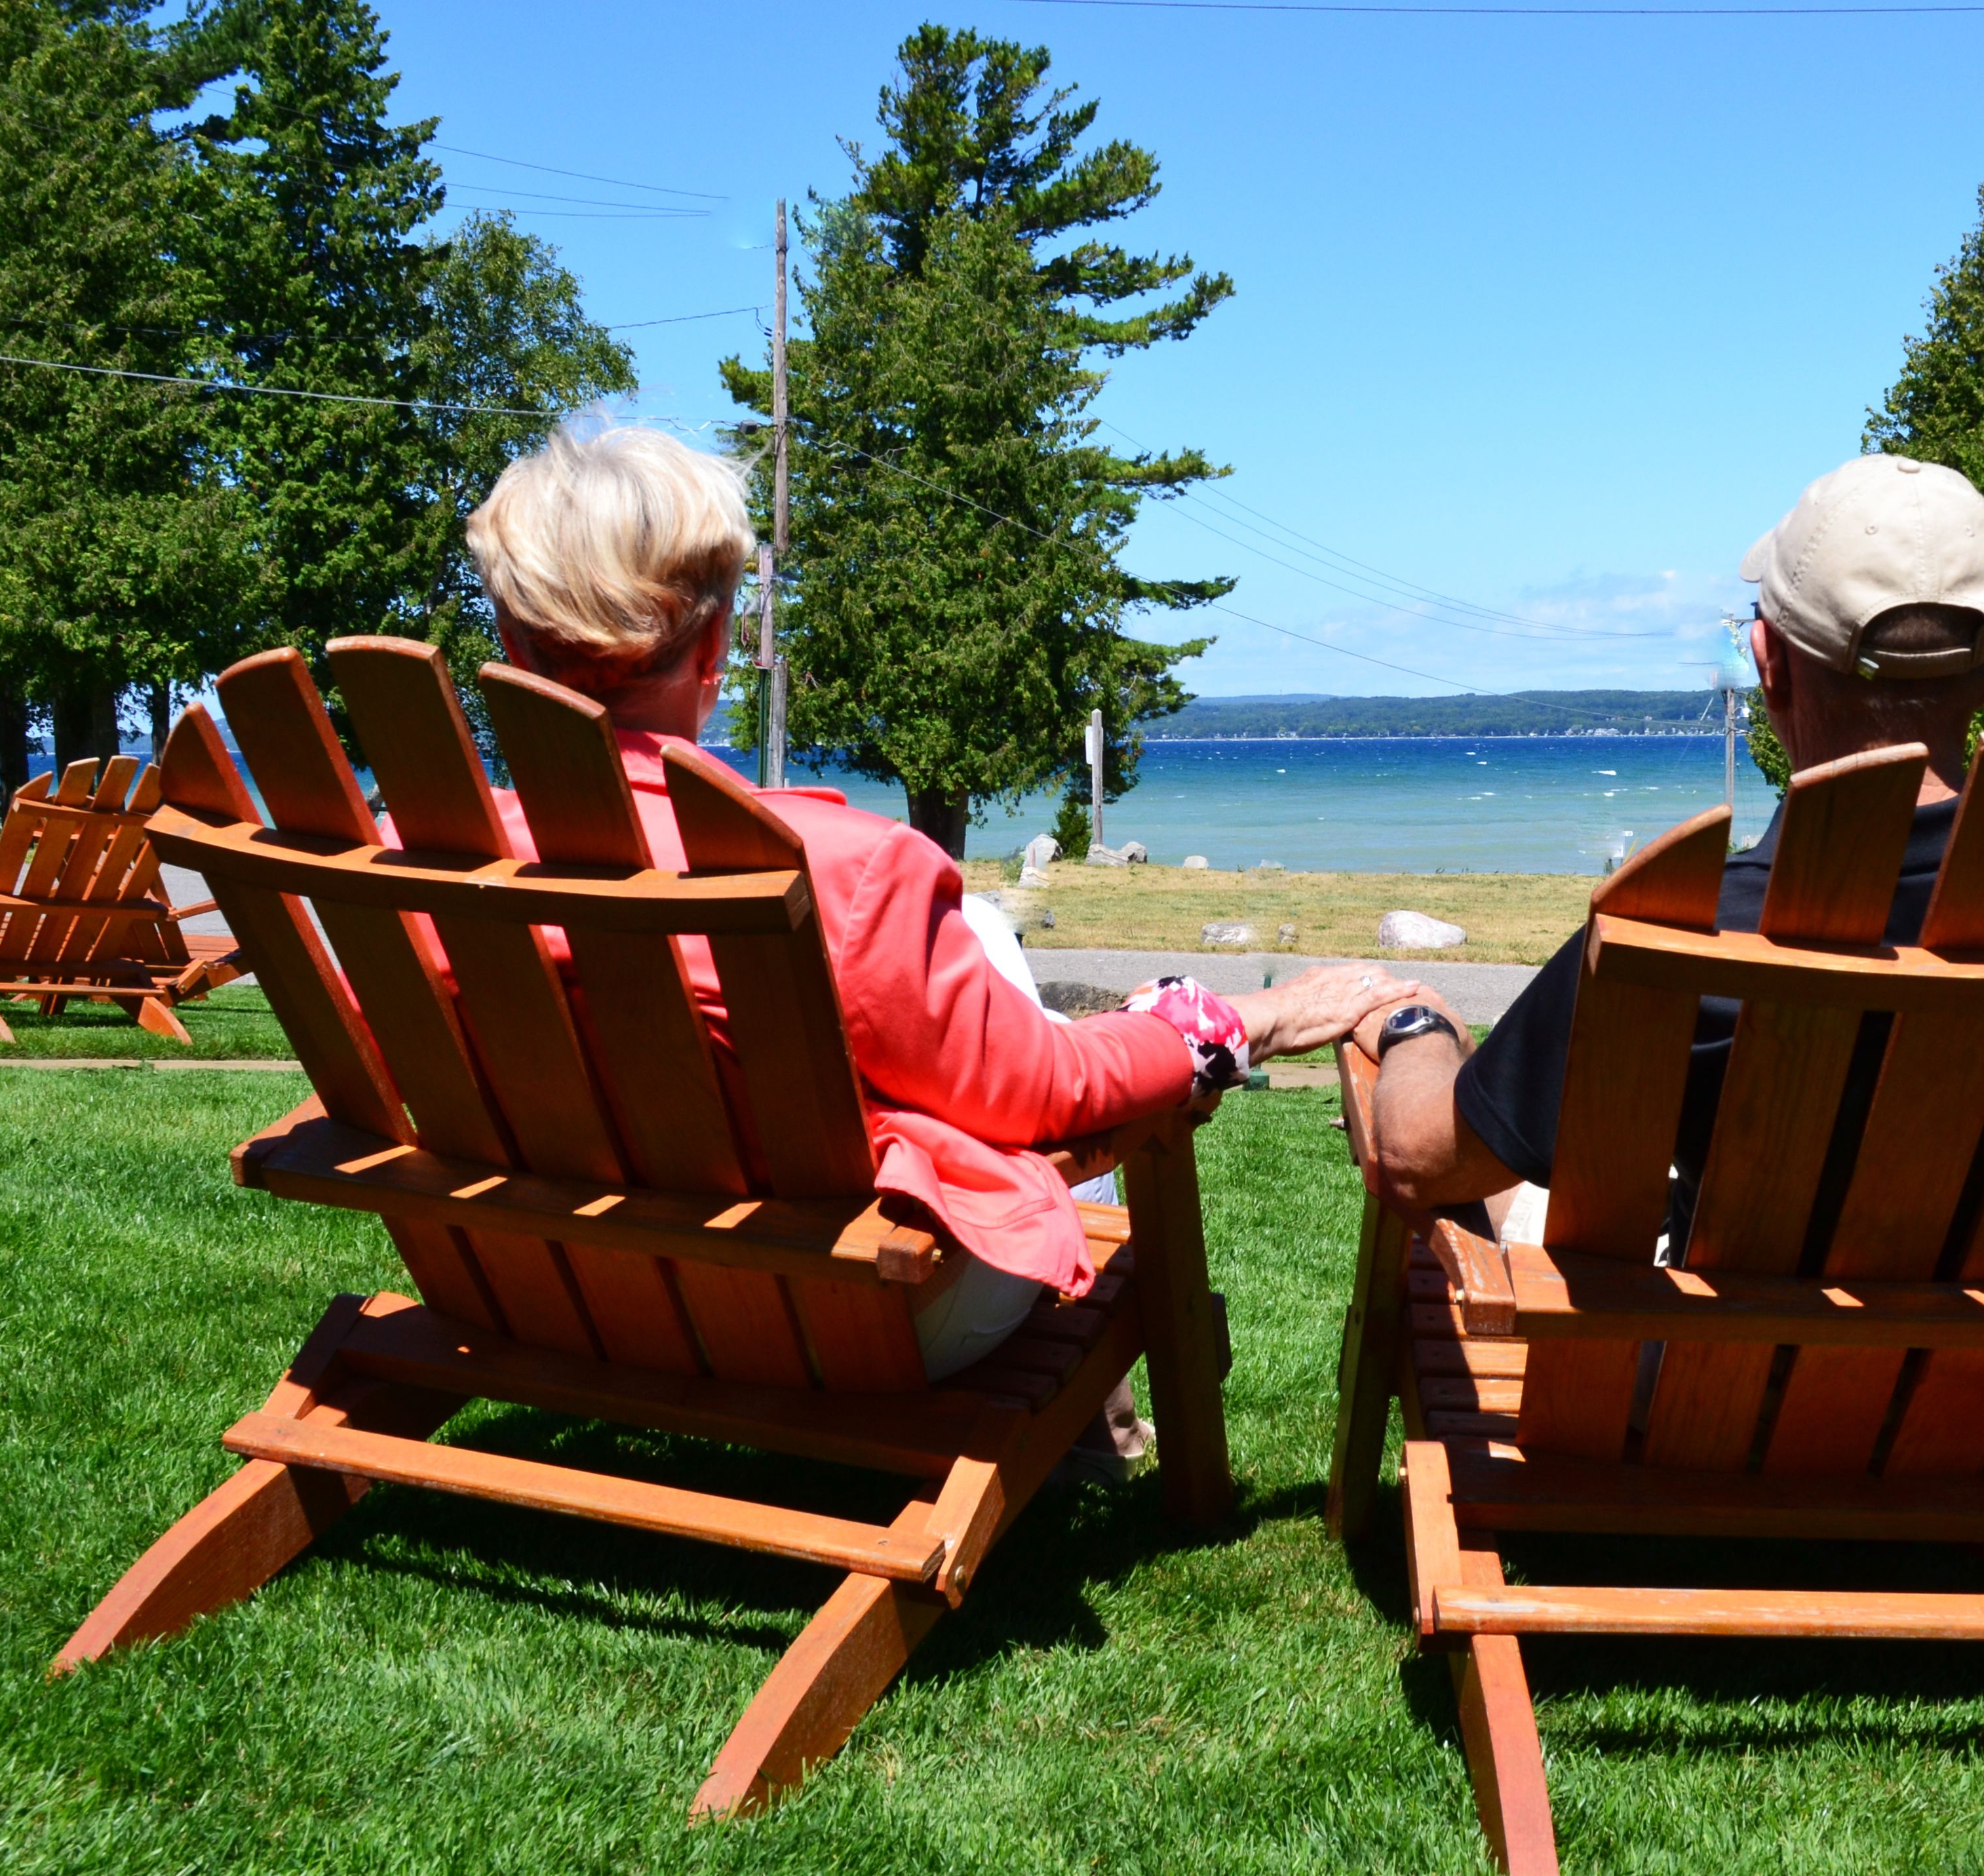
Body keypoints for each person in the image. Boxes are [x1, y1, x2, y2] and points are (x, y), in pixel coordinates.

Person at [461, 422, 1417, 1379]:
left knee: (983, 934)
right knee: (1014, 1011)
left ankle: (1104, 1428)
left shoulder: (431, 853)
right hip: (837, 1317)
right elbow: (1052, 1095)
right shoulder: (842, 872)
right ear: (715, 643)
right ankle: (1105, 1427)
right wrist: (1242, 1020)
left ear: (509, 643)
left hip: (541, 1284)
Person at [1359, 451, 1984, 1231]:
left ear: (1768, 664)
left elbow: (1418, 1160)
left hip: (1718, 1361)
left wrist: (1417, 1026)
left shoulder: (1684, 924)